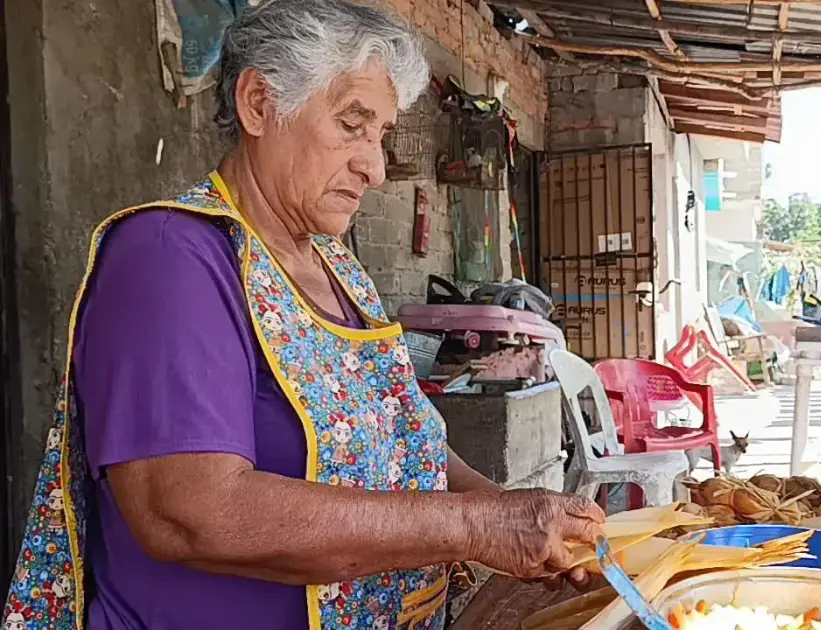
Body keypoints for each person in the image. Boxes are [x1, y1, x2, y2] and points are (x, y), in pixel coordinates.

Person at [2, 1, 604, 629]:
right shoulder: (170, 257)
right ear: (259, 104)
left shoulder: (338, 269)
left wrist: (515, 516)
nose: (375, 167)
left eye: (380, 134)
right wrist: (474, 527)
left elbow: (407, 439)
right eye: (352, 124)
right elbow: (186, 511)